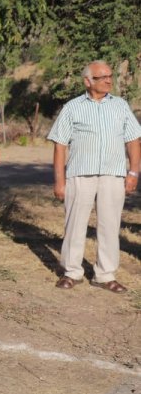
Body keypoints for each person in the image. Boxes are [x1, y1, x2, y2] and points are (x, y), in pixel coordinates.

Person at [47, 60, 140, 293]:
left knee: (109, 226)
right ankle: (71, 272)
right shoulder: (72, 107)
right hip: (80, 174)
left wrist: (133, 172)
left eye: (110, 76)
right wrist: (60, 181)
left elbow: (133, 140)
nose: (109, 80)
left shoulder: (120, 106)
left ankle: (105, 275)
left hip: (113, 175)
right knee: (74, 225)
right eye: (102, 77)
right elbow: (60, 145)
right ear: (88, 81)